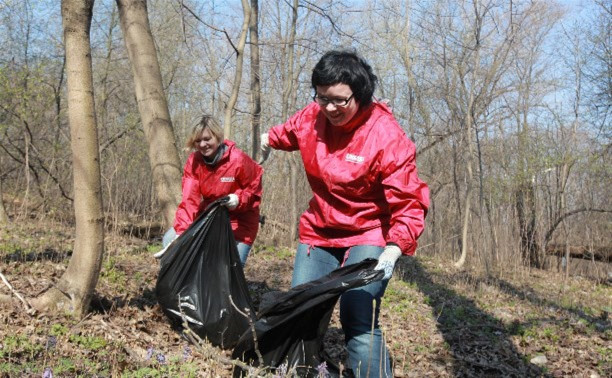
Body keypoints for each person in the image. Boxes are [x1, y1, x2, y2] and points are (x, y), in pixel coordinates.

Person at [260, 50, 429, 377]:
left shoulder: (385, 134)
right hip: (319, 232)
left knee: (358, 315)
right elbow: (290, 132)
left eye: (340, 100)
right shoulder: (313, 117)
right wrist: (267, 139)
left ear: (361, 95)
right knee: (299, 313)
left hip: (368, 234)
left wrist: (395, 247)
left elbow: (408, 199)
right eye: (322, 98)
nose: (330, 108)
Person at [158, 115, 263, 267]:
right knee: (170, 239)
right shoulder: (194, 162)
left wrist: (238, 199)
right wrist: (182, 233)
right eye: (198, 141)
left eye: (207, 139)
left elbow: (254, 191)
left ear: (217, 136)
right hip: (210, 217)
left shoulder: (238, 159)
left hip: (239, 223)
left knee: (229, 270)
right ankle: (180, 288)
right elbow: (189, 200)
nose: (203, 144)